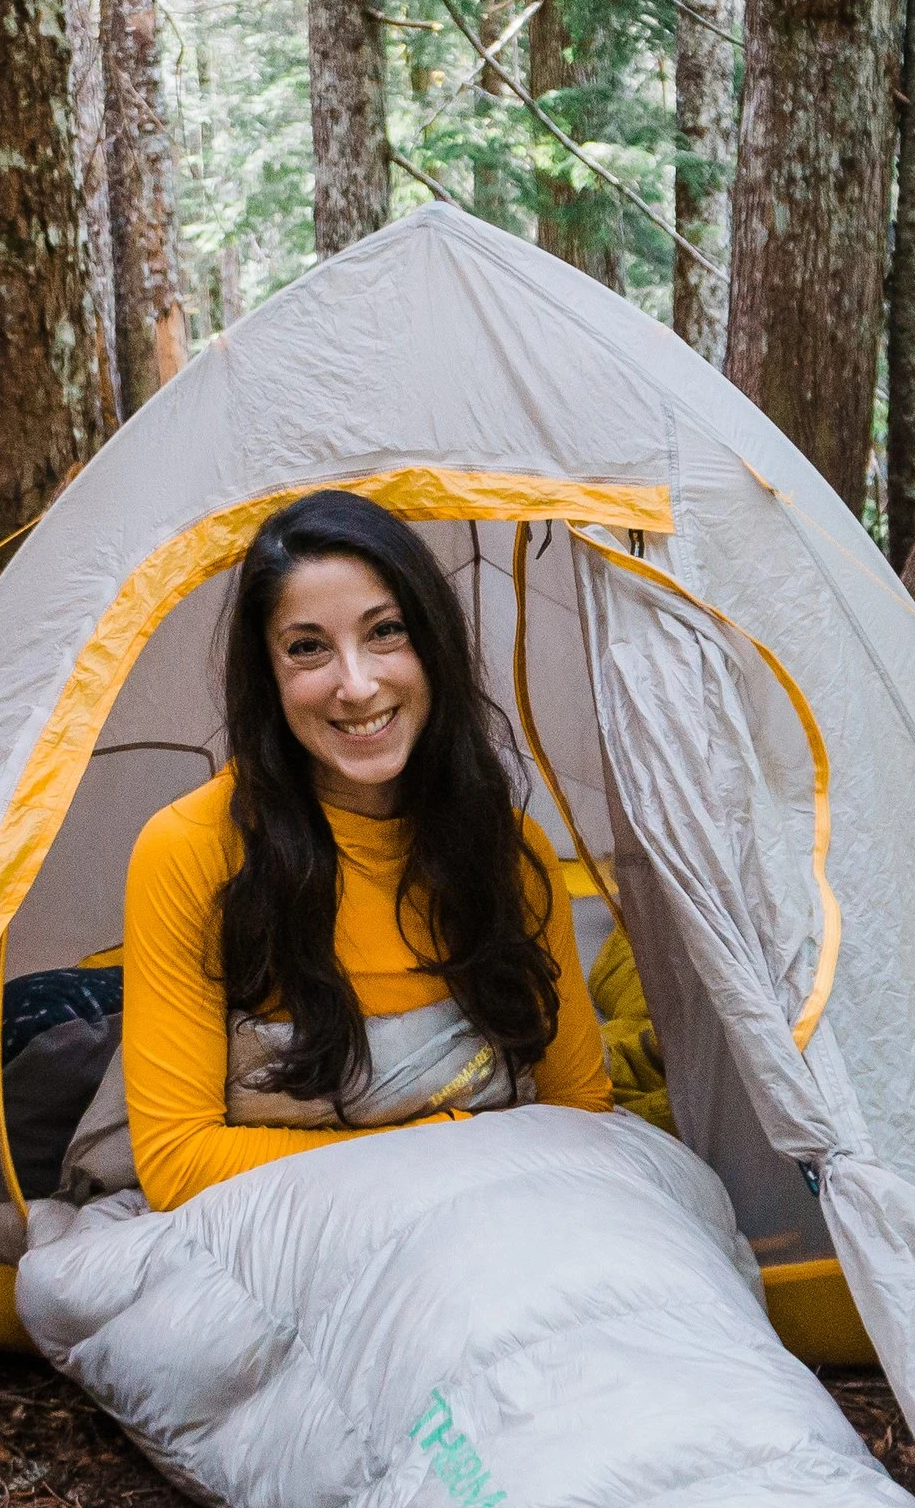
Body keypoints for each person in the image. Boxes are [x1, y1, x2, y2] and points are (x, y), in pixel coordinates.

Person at [120, 490, 613, 1211]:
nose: (356, 685)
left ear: (434, 645)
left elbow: (581, 1107)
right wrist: (443, 1153)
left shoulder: (507, 851)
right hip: (297, 1235)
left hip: (500, 1226)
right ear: (268, 676)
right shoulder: (190, 850)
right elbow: (181, 1160)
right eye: (308, 647)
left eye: (386, 631)